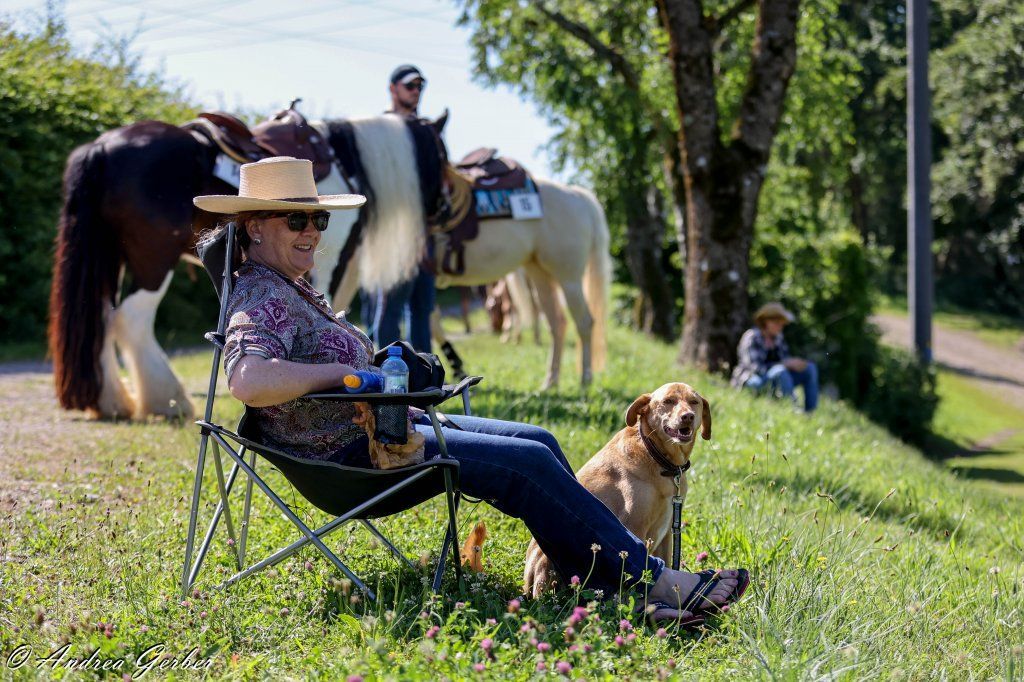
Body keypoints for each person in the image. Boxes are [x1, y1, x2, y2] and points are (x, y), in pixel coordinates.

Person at [194, 157, 747, 624]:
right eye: (297, 219)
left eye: (316, 217)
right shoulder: (259, 294)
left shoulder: (291, 285)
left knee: (539, 438)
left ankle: (599, 581)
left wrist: (383, 366)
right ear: (254, 227)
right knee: (526, 463)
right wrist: (344, 376)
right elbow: (248, 380)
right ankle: (653, 581)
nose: (312, 231)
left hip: (391, 426)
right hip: (358, 456)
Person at [362, 64, 435, 352]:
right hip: (390, 234)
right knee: (388, 307)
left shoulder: (427, 130)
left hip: (425, 233)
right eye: (410, 86)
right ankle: (384, 376)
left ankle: (425, 377)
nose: (416, 92)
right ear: (393, 89)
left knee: (423, 308)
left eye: (420, 86)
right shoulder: (379, 129)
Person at [732, 302, 819, 412]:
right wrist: (784, 364)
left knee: (810, 368)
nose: (780, 326)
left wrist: (794, 363)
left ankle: (810, 412)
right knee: (780, 371)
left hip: (776, 378)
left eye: (782, 324)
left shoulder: (778, 339)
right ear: (766, 321)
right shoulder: (752, 337)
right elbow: (756, 369)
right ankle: (793, 409)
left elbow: (784, 360)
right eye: (777, 323)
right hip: (751, 381)